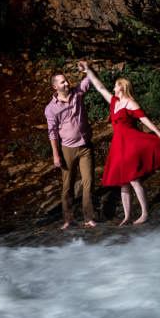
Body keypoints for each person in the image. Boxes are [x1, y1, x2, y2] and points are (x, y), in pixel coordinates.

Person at [79, 61, 160, 225]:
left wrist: (158, 133)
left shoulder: (130, 103)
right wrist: (88, 71)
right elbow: (100, 87)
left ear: (121, 87)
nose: (113, 87)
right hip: (118, 145)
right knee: (124, 182)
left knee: (134, 179)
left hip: (131, 143)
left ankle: (144, 213)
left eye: (115, 85)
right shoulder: (115, 102)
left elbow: (144, 119)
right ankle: (127, 216)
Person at [45, 65, 97, 229]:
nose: (66, 84)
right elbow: (52, 132)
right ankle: (69, 219)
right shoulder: (51, 108)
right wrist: (56, 154)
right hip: (67, 149)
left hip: (85, 146)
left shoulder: (78, 93)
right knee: (68, 186)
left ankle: (89, 217)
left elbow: (92, 79)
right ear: (55, 87)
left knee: (88, 181)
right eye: (62, 82)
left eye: (66, 81)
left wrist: (88, 68)